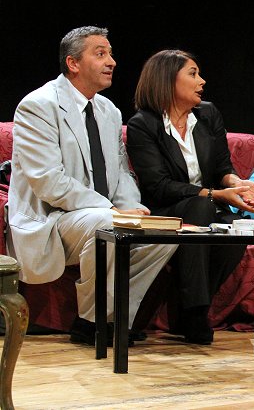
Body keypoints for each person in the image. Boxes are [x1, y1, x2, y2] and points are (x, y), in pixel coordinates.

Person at [7, 26, 177, 346]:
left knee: (162, 231)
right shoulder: (38, 105)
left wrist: (132, 207)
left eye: (110, 54)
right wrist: (113, 210)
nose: (111, 61)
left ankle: (116, 317)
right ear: (73, 63)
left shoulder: (108, 110)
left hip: (96, 214)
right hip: (50, 218)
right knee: (108, 223)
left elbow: (122, 172)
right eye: (100, 54)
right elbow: (48, 180)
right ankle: (92, 321)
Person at [126, 49, 254, 345]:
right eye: (193, 74)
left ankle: (187, 309)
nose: (201, 81)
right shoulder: (143, 124)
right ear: (167, 80)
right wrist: (214, 194)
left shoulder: (208, 114)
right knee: (202, 208)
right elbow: (158, 185)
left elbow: (223, 168)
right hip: (166, 209)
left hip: (208, 205)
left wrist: (237, 184)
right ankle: (195, 313)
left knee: (236, 231)